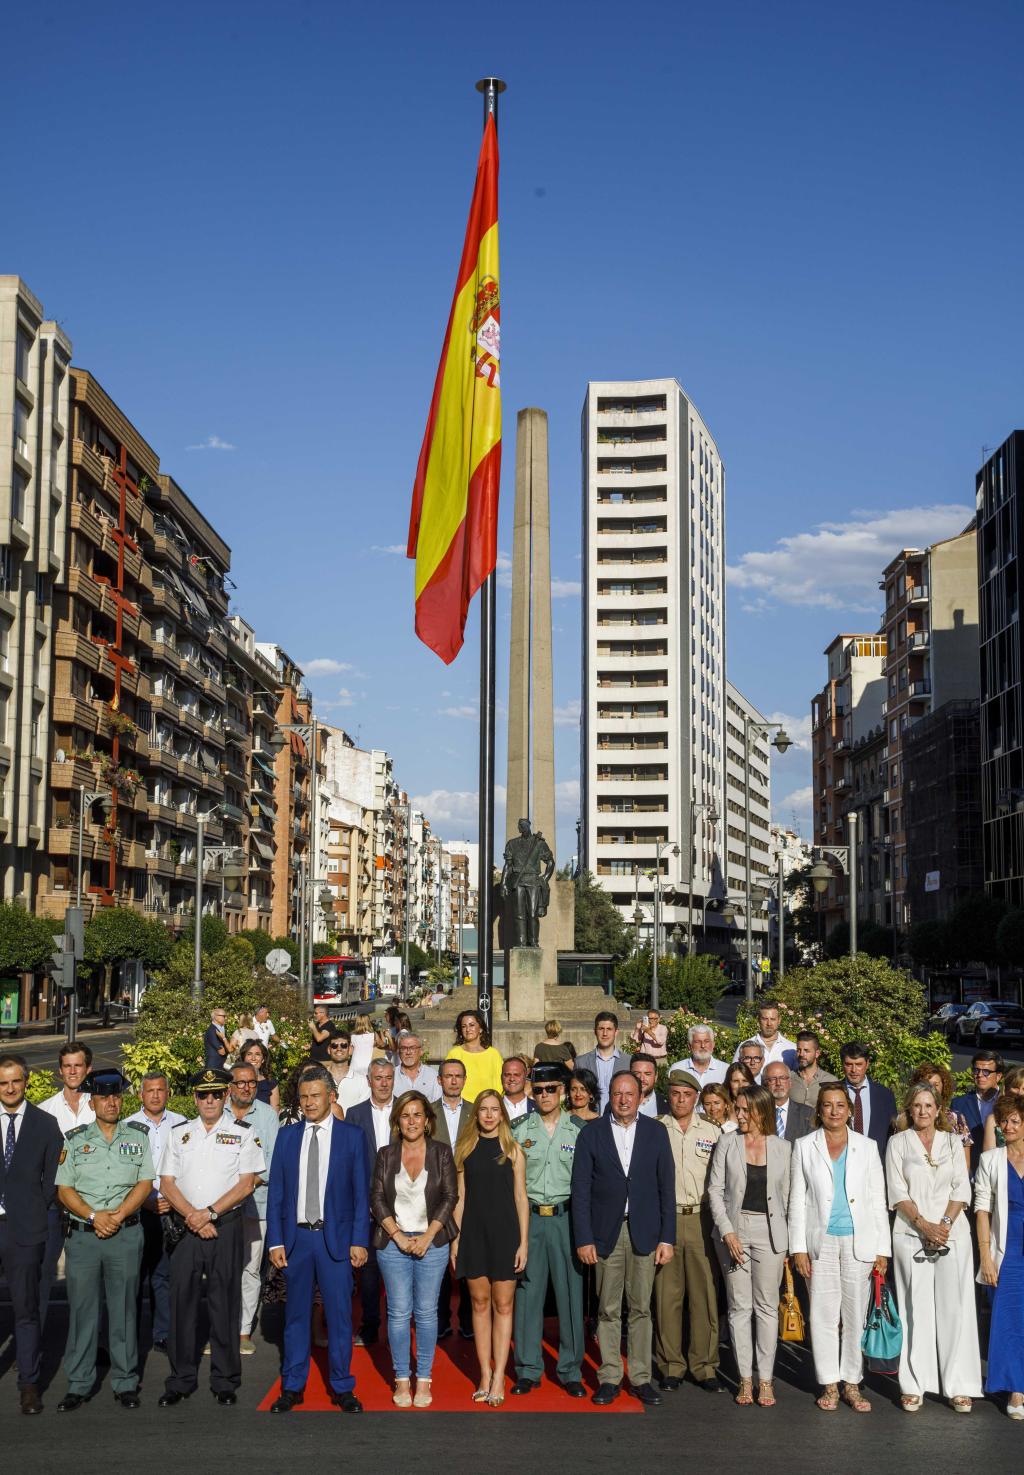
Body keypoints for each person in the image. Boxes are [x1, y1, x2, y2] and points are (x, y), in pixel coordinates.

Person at [157, 1068, 265, 1407]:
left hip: (225, 1225)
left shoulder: (243, 1133)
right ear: (194, 1098)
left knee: (225, 1302)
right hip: (186, 1226)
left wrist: (210, 1213)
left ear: (226, 1096)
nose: (209, 1100)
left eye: (216, 1094)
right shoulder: (179, 1134)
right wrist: (193, 1215)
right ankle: (181, 1378)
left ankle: (225, 1379)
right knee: (182, 1303)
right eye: (203, 1094)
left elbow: (247, 1182)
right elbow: (167, 1182)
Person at [266, 1066, 370, 1414]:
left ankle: (342, 1386)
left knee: (340, 1317)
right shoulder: (287, 1136)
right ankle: (292, 1385)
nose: (309, 1103)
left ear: (331, 1096)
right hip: (297, 1240)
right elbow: (277, 1193)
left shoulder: (351, 1137)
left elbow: (360, 1195)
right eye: (304, 1097)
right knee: (295, 1317)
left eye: (315, 1096)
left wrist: (359, 1240)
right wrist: (276, 1241)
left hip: (335, 1240)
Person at [571, 1070, 676, 1407]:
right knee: (608, 1309)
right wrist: (584, 1237)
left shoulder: (657, 1132)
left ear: (641, 1096)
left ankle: (641, 1378)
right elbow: (581, 1189)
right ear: (609, 1096)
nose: (624, 1099)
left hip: (645, 1231)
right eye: (617, 1093)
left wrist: (667, 1237)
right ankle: (610, 1376)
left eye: (630, 1093)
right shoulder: (592, 1133)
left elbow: (666, 1189)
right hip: (606, 1233)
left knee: (642, 1309)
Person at [55, 1069, 155, 1412]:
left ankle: (126, 1381)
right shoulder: (75, 1139)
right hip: (84, 1236)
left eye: (115, 1096)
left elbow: (144, 1182)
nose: (111, 1102)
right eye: (103, 1097)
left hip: (124, 1235)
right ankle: (80, 1382)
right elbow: (64, 1188)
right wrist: (95, 1217)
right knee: (83, 1311)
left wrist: (118, 1216)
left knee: (124, 1309)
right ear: (92, 1100)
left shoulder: (138, 1136)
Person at [788, 1082, 890, 1412]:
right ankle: (829, 1383)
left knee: (855, 1314)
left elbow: (878, 1199)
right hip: (822, 1243)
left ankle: (852, 1384)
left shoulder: (867, 1146)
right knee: (823, 1315)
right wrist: (799, 1248)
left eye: (840, 1105)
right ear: (819, 1110)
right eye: (828, 1105)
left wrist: (882, 1250)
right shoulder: (804, 1146)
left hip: (859, 1242)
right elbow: (797, 1202)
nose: (834, 1111)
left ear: (850, 1110)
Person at [885, 1081, 982, 1413]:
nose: (923, 1111)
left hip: (952, 1234)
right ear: (909, 1109)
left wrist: (942, 1226)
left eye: (929, 1106)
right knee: (915, 1309)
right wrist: (924, 1225)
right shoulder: (897, 1143)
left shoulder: (954, 1142)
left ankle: (959, 1385)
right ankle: (914, 1384)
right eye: (917, 1106)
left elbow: (961, 1189)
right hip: (911, 1234)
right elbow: (897, 1192)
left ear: (938, 1109)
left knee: (955, 1309)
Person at [371, 1090, 457, 1408]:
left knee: (425, 1312)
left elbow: (450, 1196)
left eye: (417, 1115)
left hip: (431, 1242)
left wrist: (427, 1235)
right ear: (397, 1120)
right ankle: (401, 1379)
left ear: (427, 1121)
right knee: (397, 1313)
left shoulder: (441, 1153)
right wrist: (397, 1235)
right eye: (405, 1115)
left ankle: (424, 1379)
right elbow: (377, 1198)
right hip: (392, 1243)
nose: (411, 1121)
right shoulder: (386, 1155)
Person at [708, 1083, 792, 1408]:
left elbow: (788, 1198)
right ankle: (745, 1379)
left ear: (761, 1111)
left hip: (771, 1233)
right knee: (740, 1306)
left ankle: (766, 1380)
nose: (739, 1115)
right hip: (735, 1227)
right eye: (737, 1109)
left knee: (768, 1308)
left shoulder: (783, 1148)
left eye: (745, 1110)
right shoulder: (727, 1143)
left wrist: (788, 1243)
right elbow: (715, 1190)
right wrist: (727, 1231)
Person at [510, 1064, 586, 1400]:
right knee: (528, 1293)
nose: (544, 1095)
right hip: (532, 1219)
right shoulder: (518, 1130)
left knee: (570, 1293)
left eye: (551, 1089)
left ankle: (570, 1369)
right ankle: (528, 1368)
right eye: (538, 1090)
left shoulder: (580, 1130)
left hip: (565, 1218)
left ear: (565, 1091)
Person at [452, 1090, 529, 1406]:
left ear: (502, 1114)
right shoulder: (465, 1149)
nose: (487, 1115)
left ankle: (500, 1376)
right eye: (482, 1109)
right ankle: (484, 1373)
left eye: (494, 1109)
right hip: (473, 1235)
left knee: (504, 1306)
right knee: (479, 1304)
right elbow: (460, 1198)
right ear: (476, 1114)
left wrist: (523, 1242)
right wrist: (455, 1241)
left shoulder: (513, 1150)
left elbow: (521, 1198)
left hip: (505, 1236)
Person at [0, 1052, 63, 1415]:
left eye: (16, 1081)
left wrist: (33, 1207)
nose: (10, 1088)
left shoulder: (44, 1124)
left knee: (26, 1310)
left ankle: (29, 1384)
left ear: (25, 1082)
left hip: (25, 1229)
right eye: (4, 1082)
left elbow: (52, 1181)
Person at [654, 1069, 723, 1394]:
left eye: (687, 1094)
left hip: (701, 1217)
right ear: (669, 1096)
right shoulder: (655, 1129)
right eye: (676, 1094)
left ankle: (704, 1365)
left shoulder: (712, 1131)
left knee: (704, 1295)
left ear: (697, 1098)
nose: (681, 1100)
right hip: (665, 1219)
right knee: (668, 1297)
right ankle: (671, 1365)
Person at [127, 1072, 185, 1355]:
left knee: (164, 1275)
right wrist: (145, 1202)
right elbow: (125, 1176)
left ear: (168, 1093)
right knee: (135, 1276)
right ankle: (132, 1334)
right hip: (139, 1212)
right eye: (149, 1090)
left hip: (172, 1211)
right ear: (141, 1095)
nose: (155, 1095)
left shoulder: (182, 1125)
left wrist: (174, 1202)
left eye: (160, 1090)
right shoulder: (127, 1127)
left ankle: (163, 1332)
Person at [38, 1042, 95, 1327]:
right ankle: (31, 1345)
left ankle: (87, 1343)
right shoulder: (44, 1111)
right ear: (60, 1071)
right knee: (43, 1275)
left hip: (89, 1207)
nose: (73, 1071)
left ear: (88, 1069)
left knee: (87, 1280)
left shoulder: (100, 1106)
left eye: (78, 1065)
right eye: (68, 1066)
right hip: (53, 1207)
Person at [225, 1062, 280, 1354]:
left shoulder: (268, 1116)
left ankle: (243, 1330)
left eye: (251, 1083)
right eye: (241, 1082)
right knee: (222, 1268)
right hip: (219, 1207)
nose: (246, 1087)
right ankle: (221, 1328)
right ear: (230, 1086)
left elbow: (271, 1163)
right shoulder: (215, 1112)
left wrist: (243, 1186)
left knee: (250, 1269)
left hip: (256, 1204)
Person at [976, 1094, 1024, 1418]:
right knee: (1008, 1319)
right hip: (1008, 1246)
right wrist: (985, 1256)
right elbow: (982, 1210)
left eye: (1015, 1121)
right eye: (1004, 1121)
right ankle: (1016, 1390)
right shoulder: (990, 1160)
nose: (1008, 1126)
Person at [345, 1060, 396, 1344]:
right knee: (368, 1271)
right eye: (379, 1078)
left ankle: (398, 1326)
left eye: (388, 1077)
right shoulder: (354, 1114)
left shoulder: (407, 1109)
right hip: (365, 1206)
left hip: (402, 1205)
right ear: (369, 1080)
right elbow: (349, 1162)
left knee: (401, 1270)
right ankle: (370, 1324)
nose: (384, 1083)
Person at [433, 1059, 473, 1341]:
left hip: (472, 1194)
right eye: (449, 1076)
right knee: (439, 1262)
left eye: (458, 1076)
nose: (454, 1081)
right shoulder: (428, 1114)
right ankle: (441, 1319)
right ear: (440, 1080)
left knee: (469, 1260)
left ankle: (470, 1321)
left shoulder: (475, 1111)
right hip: (436, 1196)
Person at [901, 1063, 972, 1173]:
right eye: (925, 1083)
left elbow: (965, 1164)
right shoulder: (905, 1117)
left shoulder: (956, 1118)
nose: (929, 1088)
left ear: (943, 1087)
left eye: (935, 1084)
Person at [840, 1043, 897, 1161]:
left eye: (859, 1064)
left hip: (876, 1164)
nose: (854, 1070)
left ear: (867, 1064)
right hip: (843, 1162)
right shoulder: (833, 1093)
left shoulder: (885, 1095)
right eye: (849, 1064)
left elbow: (892, 1134)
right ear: (842, 1065)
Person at [953, 1053, 1004, 1175]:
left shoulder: (1008, 1102)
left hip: (1001, 1172)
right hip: (970, 1173)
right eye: (976, 1070)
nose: (980, 1075)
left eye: (986, 1071)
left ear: (998, 1076)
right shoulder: (958, 1104)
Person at [575, 1011, 628, 1114]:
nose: (605, 1033)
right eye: (601, 1029)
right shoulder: (581, 1062)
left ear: (616, 1032)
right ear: (595, 1031)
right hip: (589, 1121)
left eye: (609, 1029)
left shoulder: (628, 1062)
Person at [446, 1010, 504, 1103]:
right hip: (462, 1109)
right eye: (464, 1026)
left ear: (480, 1028)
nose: (468, 1029)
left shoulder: (493, 1054)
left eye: (471, 1025)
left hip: (488, 1108)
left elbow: (500, 1084)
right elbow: (448, 1083)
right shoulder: (454, 1054)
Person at [732, 1002, 796, 1069]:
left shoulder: (791, 1048)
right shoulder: (744, 1047)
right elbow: (733, 1074)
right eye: (765, 1019)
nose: (769, 1023)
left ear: (779, 1020)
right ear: (759, 1020)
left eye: (773, 1019)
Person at [763, 1062, 814, 1142]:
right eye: (772, 1079)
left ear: (790, 1083)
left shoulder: (808, 1114)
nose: (778, 1083)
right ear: (764, 1084)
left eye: (782, 1078)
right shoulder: (758, 1114)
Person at [787, 1030, 839, 1109]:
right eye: (798, 1050)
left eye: (806, 1051)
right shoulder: (788, 1078)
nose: (801, 1054)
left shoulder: (830, 1081)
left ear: (817, 1053)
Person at [324, 1031, 370, 1113]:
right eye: (334, 1046)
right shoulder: (319, 1078)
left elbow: (363, 1113)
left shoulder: (362, 1081)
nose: (339, 1049)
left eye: (344, 1045)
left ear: (350, 1050)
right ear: (329, 1049)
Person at [983, 1064, 1024, 1153]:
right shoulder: (993, 1119)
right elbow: (988, 1157)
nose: (1020, 1092)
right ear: (1006, 1088)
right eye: (1016, 1088)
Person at [395, 1034, 442, 1102]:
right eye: (404, 1048)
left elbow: (437, 1105)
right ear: (398, 1052)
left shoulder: (433, 1076)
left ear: (421, 1051)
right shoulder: (391, 1076)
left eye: (412, 1048)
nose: (408, 1052)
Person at [239, 1038, 280, 1113]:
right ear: (243, 1058)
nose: (253, 1058)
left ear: (263, 1059)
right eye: (249, 1054)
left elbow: (275, 1115)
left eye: (257, 1054)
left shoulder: (271, 1084)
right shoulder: (234, 1082)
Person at [628, 1052, 668, 1117]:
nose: (641, 1079)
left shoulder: (668, 1105)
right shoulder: (617, 1103)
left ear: (656, 1077)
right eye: (637, 1073)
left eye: (647, 1074)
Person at [501, 1055, 536, 1122]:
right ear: (501, 1077)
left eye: (517, 1075)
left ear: (525, 1076)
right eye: (507, 1075)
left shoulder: (538, 1109)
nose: (512, 1079)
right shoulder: (493, 1108)